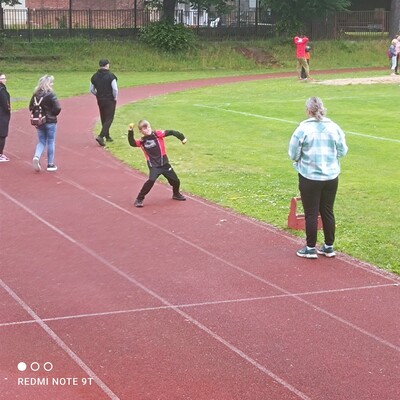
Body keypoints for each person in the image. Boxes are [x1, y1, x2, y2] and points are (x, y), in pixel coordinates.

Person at [288, 97, 348, 259]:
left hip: (309, 176)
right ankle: (328, 246)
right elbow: (342, 151)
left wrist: (301, 160)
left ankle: (310, 248)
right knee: (327, 210)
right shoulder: (334, 127)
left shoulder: (303, 129)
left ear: (308, 110)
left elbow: (293, 153)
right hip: (331, 176)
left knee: (311, 212)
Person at [127, 120, 187, 207]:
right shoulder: (142, 141)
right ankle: (139, 199)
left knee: (176, 181)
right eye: (144, 129)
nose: (147, 129)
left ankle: (176, 194)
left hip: (164, 164)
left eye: (148, 127)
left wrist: (182, 138)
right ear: (141, 131)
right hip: (154, 166)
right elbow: (132, 143)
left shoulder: (157, 134)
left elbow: (172, 132)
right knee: (151, 180)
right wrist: (130, 131)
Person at [29, 75, 62, 172]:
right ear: (48, 84)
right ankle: (50, 164)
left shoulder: (35, 94)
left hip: (39, 121)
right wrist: (53, 114)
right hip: (50, 121)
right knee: (51, 141)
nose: (53, 84)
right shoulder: (51, 94)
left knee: (41, 141)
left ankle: (36, 156)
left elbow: (31, 107)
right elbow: (58, 108)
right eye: (51, 82)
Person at [90, 59, 118, 146]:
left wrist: (98, 95)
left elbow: (91, 89)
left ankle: (107, 136)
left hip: (100, 99)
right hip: (109, 99)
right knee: (109, 118)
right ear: (107, 65)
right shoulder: (111, 76)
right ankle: (101, 136)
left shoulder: (94, 76)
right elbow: (115, 89)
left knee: (103, 117)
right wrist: (114, 96)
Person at [0, 73, 11, 162]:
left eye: (4, 78)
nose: (4, 80)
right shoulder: (2, 90)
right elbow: (6, 104)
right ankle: (0, 154)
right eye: (2, 78)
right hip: (2, 115)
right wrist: (8, 110)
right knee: (2, 134)